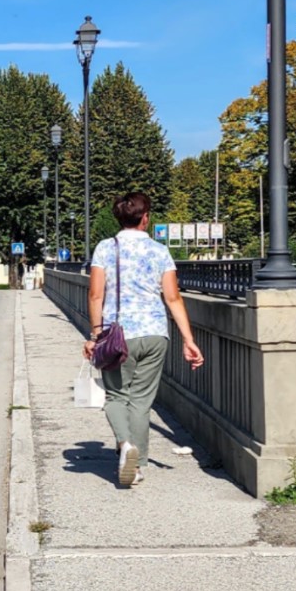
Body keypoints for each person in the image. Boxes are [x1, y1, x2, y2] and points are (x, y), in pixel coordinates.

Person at [84, 191, 205, 488]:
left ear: (119, 218)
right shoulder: (159, 251)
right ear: (146, 218)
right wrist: (188, 340)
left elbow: (96, 294)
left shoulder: (104, 248)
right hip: (154, 333)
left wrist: (95, 335)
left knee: (115, 396)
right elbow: (173, 298)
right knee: (141, 401)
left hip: (117, 335)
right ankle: (136, 467)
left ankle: (125, 445)